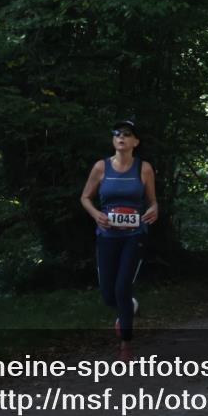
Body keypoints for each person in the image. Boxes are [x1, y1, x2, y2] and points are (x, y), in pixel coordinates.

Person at [80, 120, 158, 361]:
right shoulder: (100, 167)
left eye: (127, 134)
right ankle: (129, 306)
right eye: (117, 134)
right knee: (108, 295)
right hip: (107, 236)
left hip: (134, 236)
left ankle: (126, 344)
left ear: (135, 142)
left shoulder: (143, 168)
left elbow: (152, 201)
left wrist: (154, 210)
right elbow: (85, 197)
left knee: (122, 287)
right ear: (113, 140)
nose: (121, 137)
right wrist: (96, 215)